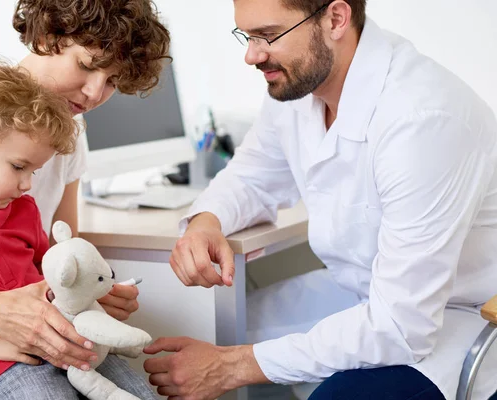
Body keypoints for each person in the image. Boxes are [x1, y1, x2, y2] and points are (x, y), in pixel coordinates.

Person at [143, 0, 497, 399]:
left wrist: (231, 367)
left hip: (461, 319)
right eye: (247, 35)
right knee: (212, 327)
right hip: (363, 295)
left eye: (268, 35)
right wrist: (206, 220)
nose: (251, 55)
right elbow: (252, 174)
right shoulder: (299, 86)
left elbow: (401, 327)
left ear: (335, 19)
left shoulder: (421, 119)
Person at [0, 0, 169, 399]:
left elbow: (59, 258)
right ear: (46, 37)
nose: (95, 92)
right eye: (87, 65)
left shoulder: (69, 140)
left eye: (112, 81)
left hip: (35, 349)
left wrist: (90, 292)